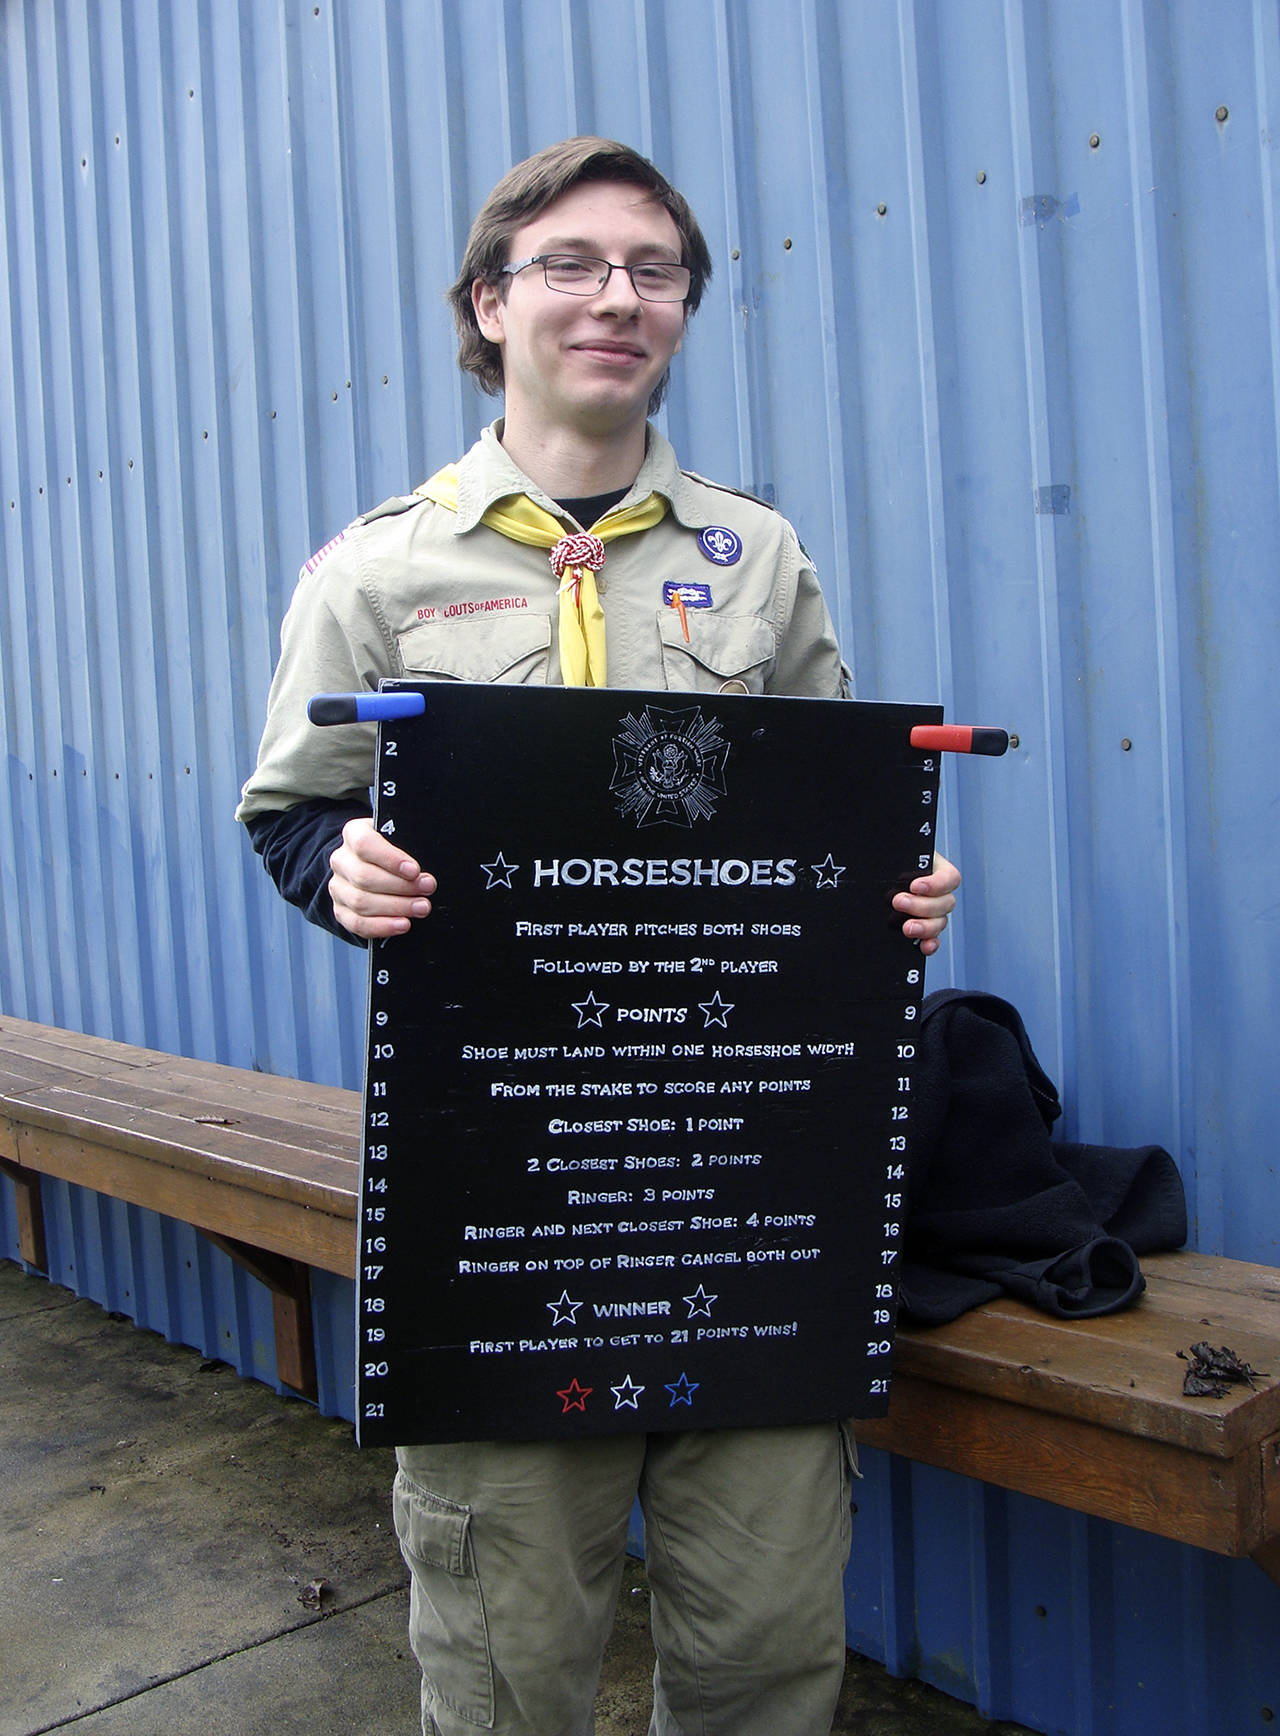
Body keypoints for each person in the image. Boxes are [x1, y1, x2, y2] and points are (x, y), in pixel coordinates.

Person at [238, 136, 959, 1736]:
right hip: (502, 1180)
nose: (614, 297)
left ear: (683, 310)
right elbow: (292, 807)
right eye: (570, 263)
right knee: (505, 1655)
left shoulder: (753, 554)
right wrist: (338, 869)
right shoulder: (377, 566)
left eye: (654, 269)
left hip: (734, 1178)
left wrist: (891, 894)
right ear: (490, 305)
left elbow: (828, 805)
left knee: (767, 1642)